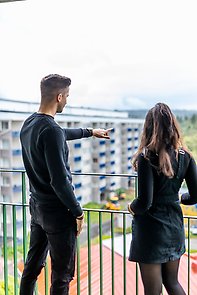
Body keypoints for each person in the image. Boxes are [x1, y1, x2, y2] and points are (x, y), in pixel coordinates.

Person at [19, 74, 112, 295]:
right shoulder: (50, 131)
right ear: (59, 97)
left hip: (38, 208)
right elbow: (60, 182)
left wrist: (90, 132)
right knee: (62, 276)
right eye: (67, 96)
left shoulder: (30, 123)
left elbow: (60, 134)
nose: (67, 100)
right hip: (57, 214)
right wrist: (78, 213)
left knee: (32, 268)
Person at [128, 103, 197, 295]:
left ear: (149, 127)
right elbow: (196, 195)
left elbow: (144, 202)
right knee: (172, 282)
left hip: (151, 231)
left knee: (152, 291)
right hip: (174, 227)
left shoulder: (147, 157)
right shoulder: (185, 156)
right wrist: (180, 198)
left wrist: (131, 207)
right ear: (172, 125)